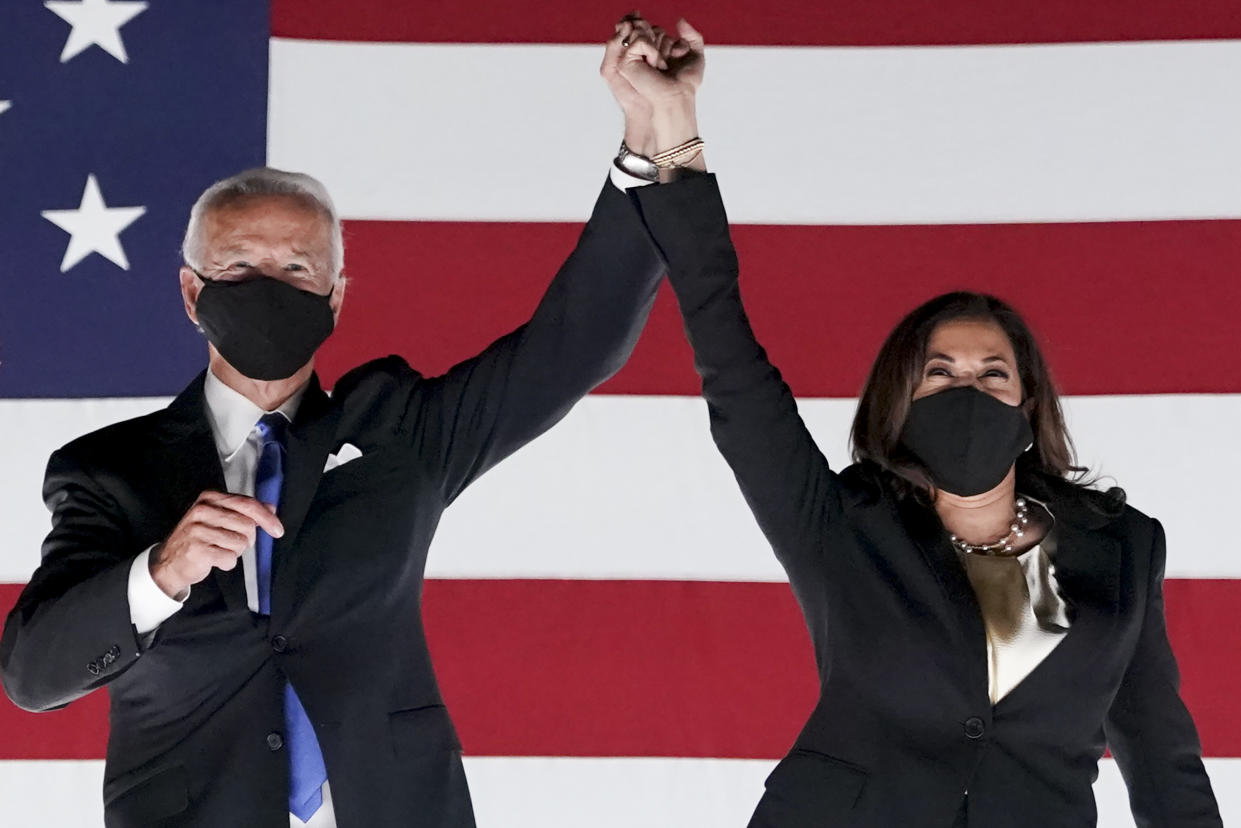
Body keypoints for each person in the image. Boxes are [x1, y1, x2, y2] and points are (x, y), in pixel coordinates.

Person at [0, 19, 679, 827]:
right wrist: (160, 573)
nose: (268, 285)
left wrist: (651, 143)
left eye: (295, 269)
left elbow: (577, 344)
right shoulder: (107, 470)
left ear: (336, 295)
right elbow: (32, 677)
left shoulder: (399, 430)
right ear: (191, 294)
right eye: (239, 268)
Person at [612, 16, 1223, 827]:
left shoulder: (1123, 545)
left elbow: (1158, 751)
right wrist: (675, 136)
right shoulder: (837, 524)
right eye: (937, 374)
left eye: (990, 374)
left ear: (1029, 404)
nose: (963, 389)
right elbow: (733, 369)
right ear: (898, 401)